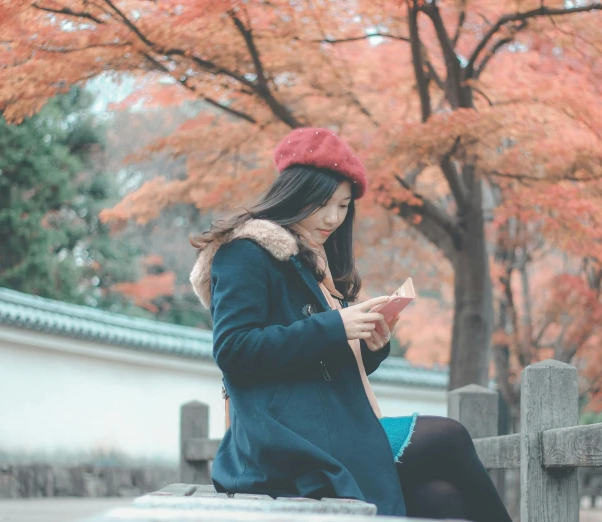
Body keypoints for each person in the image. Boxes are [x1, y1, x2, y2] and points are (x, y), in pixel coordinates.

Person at [190, 127, 512, 521]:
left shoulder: (314, 264)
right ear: (293, 193)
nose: (333, 218)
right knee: (450, 436)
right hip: (283, 437)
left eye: (343, 206)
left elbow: (321, 362)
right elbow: (233, 350)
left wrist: (372, 345)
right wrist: (336, 327)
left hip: (329, 425)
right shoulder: (244, 253)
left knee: (439, 498)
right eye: (324, 203)